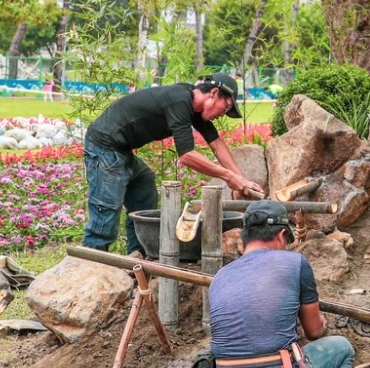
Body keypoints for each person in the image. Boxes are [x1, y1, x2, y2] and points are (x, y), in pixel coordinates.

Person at [188, 200, 358, 368]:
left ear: (245, 237)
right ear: (281, 235)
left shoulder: (222, 274)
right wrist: (322, 324)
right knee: (342, 348)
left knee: (230, 351)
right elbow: (314, 332)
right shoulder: (295, 263)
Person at [80, 72, 264, 258]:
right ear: (214, 93)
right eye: (225, 107)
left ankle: (137, 254)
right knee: (106, 210)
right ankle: (91, 263)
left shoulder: (195, 108)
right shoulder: (179, 101)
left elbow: (217, 144)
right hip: (104, 147)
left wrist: (242, 180)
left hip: (121, 149)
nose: (222, 114)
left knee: (143, 183)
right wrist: (228, 176)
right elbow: (187, 156)